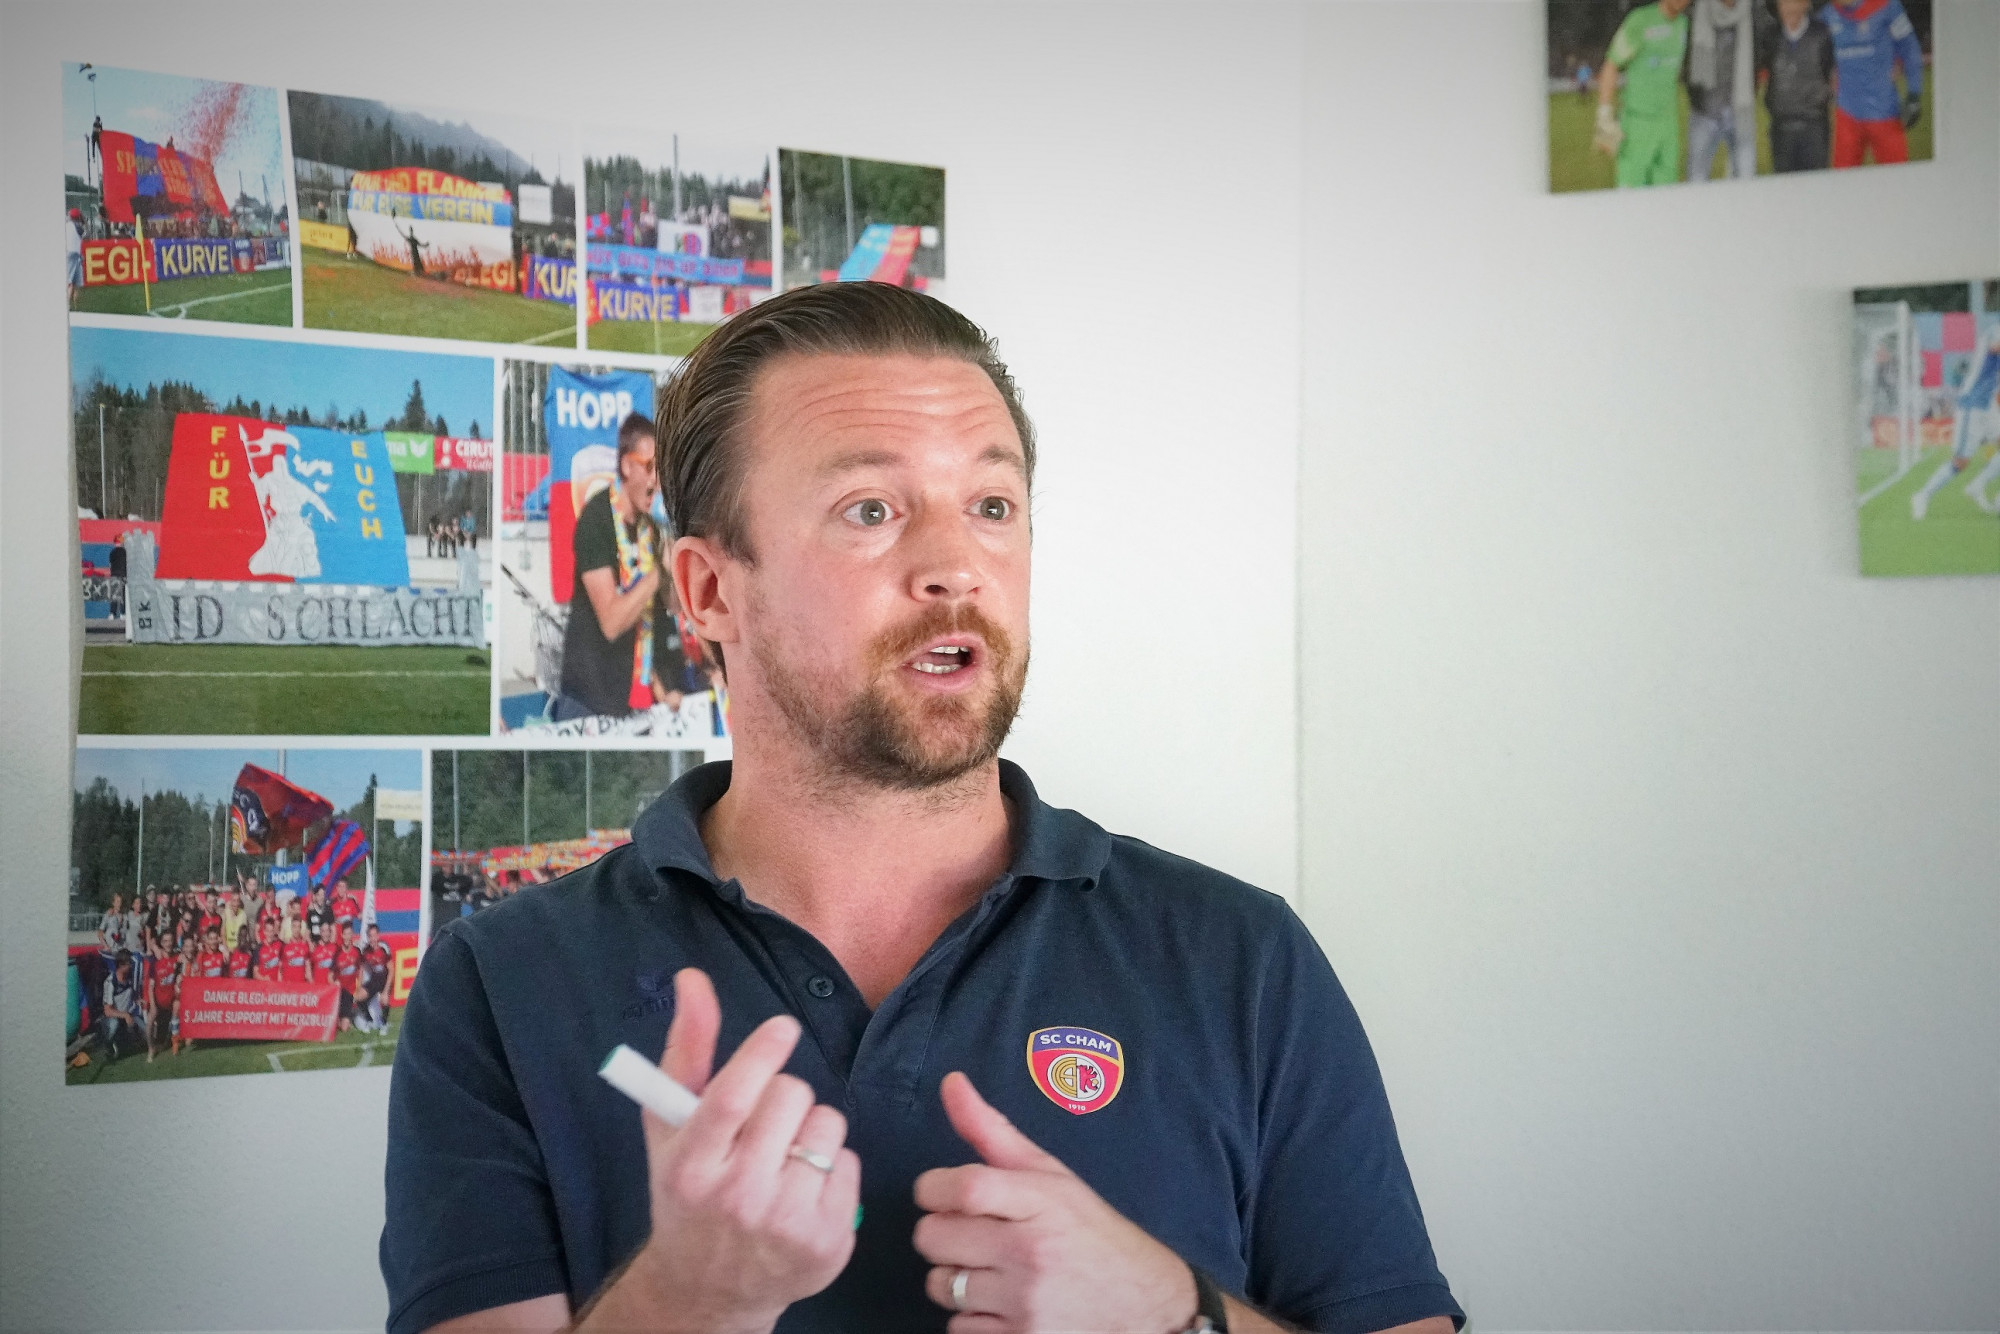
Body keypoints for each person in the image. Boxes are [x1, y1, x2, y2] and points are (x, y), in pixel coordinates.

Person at [384, 283, 1463, 1334]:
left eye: (991, 507)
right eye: (871, 510)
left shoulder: (1241, 958)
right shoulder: (501, 984)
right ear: (710, 592)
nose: (956, 568)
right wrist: (687, 1301)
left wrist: (1170, 1313)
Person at [555, 412, 664, 721]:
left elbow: (664, 610)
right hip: (587, 702)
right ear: (627, 466)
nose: (656, 480)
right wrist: (659, 573)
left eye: (661, 469)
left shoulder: (651, 530)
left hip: (630, 702)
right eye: (650, 467)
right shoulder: (596, 520)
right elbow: (612, 623)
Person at [1595, 0, 1692, 188]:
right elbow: (1611, 64)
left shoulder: (1683, 24)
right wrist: (1604, 113)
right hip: (1638, 124)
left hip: (1668, 124)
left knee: (1667, 196)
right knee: (1632, 196)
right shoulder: (1640, 20)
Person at [1912, 321, 2000, 520]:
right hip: (1972, 405)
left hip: (1988, 405)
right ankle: (1922, 495)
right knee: (1961, 462)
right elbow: (1995, 347)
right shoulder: (1996, 329)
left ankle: (1977, 485)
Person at [1823, 0, 1925, 169]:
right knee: (1843, 181)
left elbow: (1909, 47)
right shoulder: (1827, 15)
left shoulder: (1887, 6)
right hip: (1847, 114)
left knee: (1897, 179)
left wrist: (1914, 93)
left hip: (1885, 112)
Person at [1683, 0, 1765, 181]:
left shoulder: (1752, 12)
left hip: (1740, 110)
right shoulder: (1696, 13)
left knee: (1746, 177)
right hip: (1705, 111)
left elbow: (1761, 51)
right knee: (1696, 176)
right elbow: (1685, 59)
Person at [1765, 0, 1836, 173]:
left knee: (1816, 182)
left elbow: (1831, 71)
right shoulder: (1771, 36)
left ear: (1805, 4)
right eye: (1783, 3)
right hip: (1781, 126)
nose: (1789, 8)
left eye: (1794, 2)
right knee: (1784, 183)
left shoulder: (1821, 33)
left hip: (1814, 124)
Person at [99, 951, 143, 1063]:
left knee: (146, 1032)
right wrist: (125, 1015)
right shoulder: (110, 982)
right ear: (121, 965)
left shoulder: (129, 978)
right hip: (115, 1016)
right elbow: (107, 1011)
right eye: (129, 963)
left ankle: (130, 1038)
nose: (131, 966)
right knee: (113, 1025)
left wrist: (139, 1001)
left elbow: (131, 996)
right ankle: (108, 1046)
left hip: (129, 1013)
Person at [144, 938, 180, 1063]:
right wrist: (153, 1006)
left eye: (170, 941)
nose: (168, 943)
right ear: (161, 944)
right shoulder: (156, 962)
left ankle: (174, 1043)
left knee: (163, 1040)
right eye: (165, 941)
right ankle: (150, 1049)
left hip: (171, 1002)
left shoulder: (177, 958)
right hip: (158, 1002)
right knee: (149, 1022)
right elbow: (151, 987)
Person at [356, 923, 394, 1034]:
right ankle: (369, 1020)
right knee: (357, 997)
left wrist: (386, 991)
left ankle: (384, 1023)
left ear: (378, 936)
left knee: (384, 999)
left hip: (385, 981)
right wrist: (359, 987)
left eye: (374, 936)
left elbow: (391, 970)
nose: (372, 939)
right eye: (370, 936)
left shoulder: (384, 948)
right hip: (374, 980)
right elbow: (361, 968)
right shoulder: (365, 950)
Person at [332, 925, 362, 1033]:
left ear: (352, 935)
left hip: (350, 992)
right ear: (342, 935)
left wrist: (358, 988)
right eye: (345, 934)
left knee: (344, 1029)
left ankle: (351, 1014)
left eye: (349, 934)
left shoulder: (357, 951)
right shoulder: (337, 953)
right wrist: (334, 985)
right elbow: (330, 975)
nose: (347, 937)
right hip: (340, 993)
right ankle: (342, 1017)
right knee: (336, 1026)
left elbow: (360, 970)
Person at [66, 206, 85, 308]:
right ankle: (72, 305)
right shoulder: (78, 227)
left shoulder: (66, 225)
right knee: (75, 283)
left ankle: (71, 306)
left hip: (69, 253)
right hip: (76, 254)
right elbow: (85, 234)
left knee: (71, 282)